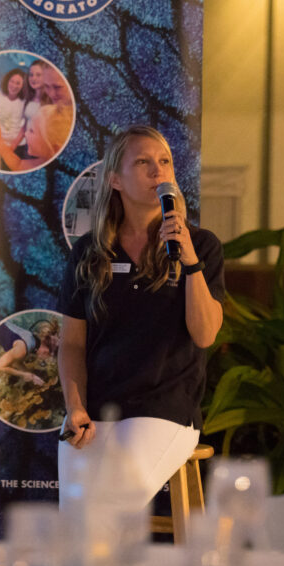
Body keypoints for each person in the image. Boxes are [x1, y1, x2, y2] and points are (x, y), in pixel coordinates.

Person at [56, 125, 225, 525]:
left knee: (102, 517)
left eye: (164, 162)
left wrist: (190, 263)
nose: (158, 172)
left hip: (163, 408)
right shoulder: (89, 252)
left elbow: (205, 334)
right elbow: (73, 345)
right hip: (97, 410)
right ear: (115, 179)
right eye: (144, 162)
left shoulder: (201, 245)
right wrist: (75, 407)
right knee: (74, 521)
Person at [0, 102, 72, 172]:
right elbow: (18, 165)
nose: (26, 134)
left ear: (55, 149)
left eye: (31, 131)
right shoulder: (45, 159)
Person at [0, 318, 61, 387]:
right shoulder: (23, 349)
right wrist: (23, 374)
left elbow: (16, 362)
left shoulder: (33, 341)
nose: (44, 360)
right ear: (46, 351)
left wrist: (31, 375)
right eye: (49, 356)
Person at [0, 68, 28, 156]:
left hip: (18, 146)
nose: (14, 85)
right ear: (7, 81)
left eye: (18, 83)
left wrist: (12, 147)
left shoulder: (25, 102)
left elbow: (24, 129)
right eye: (12, 81)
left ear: (23, 86)